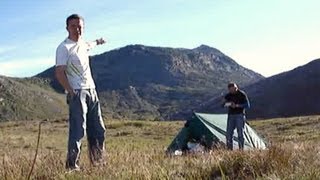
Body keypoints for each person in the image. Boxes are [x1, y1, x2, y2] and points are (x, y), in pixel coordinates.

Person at [55, 14, 106, 170]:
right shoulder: (64, 48)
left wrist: (99, 41)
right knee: (78, 130)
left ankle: (98, 163)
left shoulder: (83, 44)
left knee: (98, 128)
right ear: (67, 28)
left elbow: (91, 44)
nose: (77, 29)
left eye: (80, 26)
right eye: (73, 26)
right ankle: (72, 166)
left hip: (92, 90)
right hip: (77, 92)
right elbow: (59, 72)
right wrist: (71, 91)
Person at [223, 82, 250, 150]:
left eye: (235, 88)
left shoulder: (242, 94)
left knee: (240, 133)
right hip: (231, 115)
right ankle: (229, 150)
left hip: (240, 115)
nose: (234, 90)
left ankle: (241, 150)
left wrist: (237, 105)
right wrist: (229, 104)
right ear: (229, 89)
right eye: (232, 89)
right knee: (229, 134)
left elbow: (247, 105)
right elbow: (223, 104)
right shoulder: (228, 95)